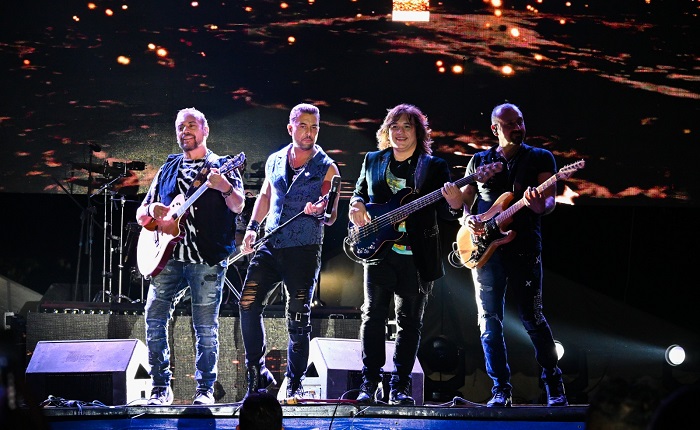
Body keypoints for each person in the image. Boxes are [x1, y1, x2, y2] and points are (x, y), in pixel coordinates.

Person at [348, 103, 464, 406]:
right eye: (394, 126)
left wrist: (454, 204)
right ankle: (369, 382)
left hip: (415, 256)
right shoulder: (373, 160)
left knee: (409, 323)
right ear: (386, 131)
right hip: (378, 252)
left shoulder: (433, 166)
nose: (399, 132)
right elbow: (359, 193)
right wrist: (356, 206)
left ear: (418, 132)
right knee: (372, 317)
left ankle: (398, 386)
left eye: (407, 126)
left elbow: (448, 213)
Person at [459, 102, 567, 407]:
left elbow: (549, 203)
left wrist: (537, 205)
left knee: (532, 317)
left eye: (520, 121)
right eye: (510, 124)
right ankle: (500, 390)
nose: (517, 127)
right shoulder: (479, 161)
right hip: (486, 252)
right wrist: (466, 218)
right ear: (495, 129)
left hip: (524, 249)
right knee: (488, 321)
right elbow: (465, 204)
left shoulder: (540, 157)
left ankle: (554, 386)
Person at [135, 107, 245, 405]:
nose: (185, 130)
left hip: (206, 258)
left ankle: (205, 390)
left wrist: (224, 187)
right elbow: (142, 212)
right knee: (154, 319)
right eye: (180, 126)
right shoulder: (168, 167)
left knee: (205, 327)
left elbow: (238, 206)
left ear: (205, 130)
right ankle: (160, 387)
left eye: (192, 125)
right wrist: (153, 212)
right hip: (166, 258)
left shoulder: (222, 166)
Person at [239, 103, 341, 401]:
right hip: (270, 245)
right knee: (247, 304)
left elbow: (331, 212)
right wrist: (251, 228)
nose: (309, 133)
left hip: (303, 249)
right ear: (290, 127)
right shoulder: (274, 160)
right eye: (303, 126)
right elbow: (266, 195)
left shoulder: (327, 166)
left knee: (297, 317)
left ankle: (294, 382)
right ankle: (258, 370)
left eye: (314, 127)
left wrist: (320, 209)